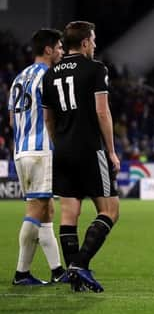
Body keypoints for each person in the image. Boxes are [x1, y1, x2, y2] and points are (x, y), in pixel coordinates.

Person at [42, 21, 120, 293]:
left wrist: (59, 143)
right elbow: (102, 112)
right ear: (85, 42)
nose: (95, 45)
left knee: (69, 214)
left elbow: (48, 119)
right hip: (89, 148)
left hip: (62, 150)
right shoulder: (96, 69)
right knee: (110, 211)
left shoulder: (49, 75)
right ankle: (80, 265)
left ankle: (75, 279)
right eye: (94, 40)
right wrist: (111, 150)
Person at [8, 28, 66, 286]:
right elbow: (51, 115)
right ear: (48, 50)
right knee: (35, 209)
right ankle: (21, 273)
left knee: (46, 210)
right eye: (60, 47)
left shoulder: (19, 78)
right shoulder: (50, 76)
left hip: (21, 150)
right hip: (42, 151)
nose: (62, 52)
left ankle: (57, 271)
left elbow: (11, 119)